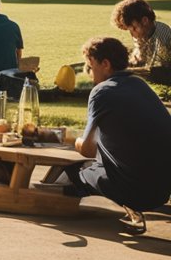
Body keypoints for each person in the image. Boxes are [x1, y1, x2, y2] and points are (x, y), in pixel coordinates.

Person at [64, 37, 171, 231]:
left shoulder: (101, 92)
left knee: (76, 172)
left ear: (105, 64)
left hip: (133, 189)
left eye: (91, 66)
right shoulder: (140, 85)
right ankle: (131, 207)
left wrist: (73, 139)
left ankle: (124, 206)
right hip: (162, 190)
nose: (90, 73)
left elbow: (87, 149)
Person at [110, 0, 171, 70]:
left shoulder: (161, 35)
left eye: (134, 28)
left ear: (144, 21)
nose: (133, 34)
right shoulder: (145, 32)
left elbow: (153, 68)